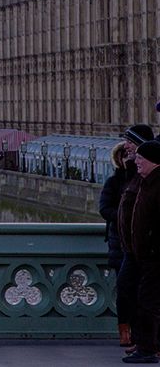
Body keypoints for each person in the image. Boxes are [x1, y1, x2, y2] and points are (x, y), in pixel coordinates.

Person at [118, 124, 155, 355]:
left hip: (145, 251)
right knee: (134, 294)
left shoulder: (150, 178)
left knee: (146, 299)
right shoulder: (132, 172)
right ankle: (141, 341)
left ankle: (147, 345)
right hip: (132, 248)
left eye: (131, 142)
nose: (126, 147)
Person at [124, 139, 160, 364]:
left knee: (148, 302)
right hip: (146, 255)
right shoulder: (147, 181)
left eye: (140, 158)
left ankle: (147, 348)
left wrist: (151, 246)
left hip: (155, 256)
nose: (136, 161)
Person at [100, 139, 136, 347]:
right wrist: (125, 217)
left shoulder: (140, 180)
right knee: (124, 290)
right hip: (118, 243)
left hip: (138, 244)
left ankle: (141, 335)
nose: (128, 160)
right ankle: (125, 331)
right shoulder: (114, 182)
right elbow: (104, 209)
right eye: (123, 156)